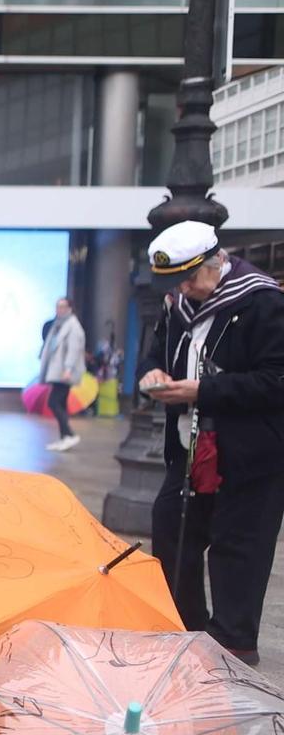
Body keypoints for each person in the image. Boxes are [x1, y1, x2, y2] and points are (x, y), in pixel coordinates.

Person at [137, 220, 284, 666]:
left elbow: (274, 382)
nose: (184, 288)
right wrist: (154, 376)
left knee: (238, 546)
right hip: (189, 448)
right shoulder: (178, 306)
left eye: (189, 278)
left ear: (216, 262)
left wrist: (201, 391)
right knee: (171, 529)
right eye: (176, 282)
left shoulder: (262, 302)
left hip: (250, 453)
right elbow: (157, 356)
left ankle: (233, 644)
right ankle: (187, 629)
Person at [38, 297, 87, 452]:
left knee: (53, 402)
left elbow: (73, 349)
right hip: (57, 370)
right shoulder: (58, 325)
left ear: (70, 308)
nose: (59, 309)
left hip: (64, 372)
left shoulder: (73, 326)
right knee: (61, 404)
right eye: (57, 306)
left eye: (63, 306)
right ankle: (64, 437)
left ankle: (69, 434)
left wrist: (68, 369)